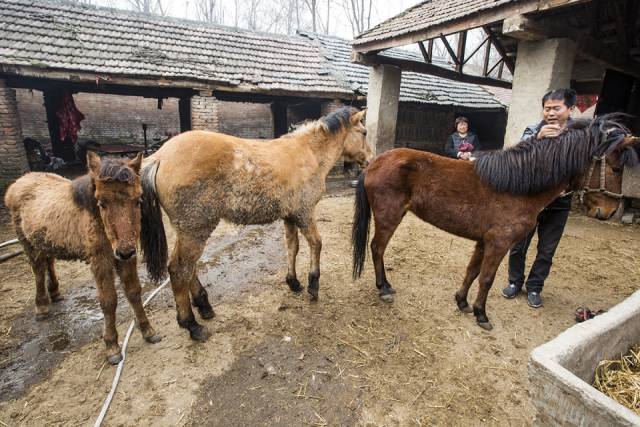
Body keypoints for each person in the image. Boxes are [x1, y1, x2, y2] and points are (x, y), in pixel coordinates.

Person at [501, 88, 577, 308]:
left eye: (556, 108)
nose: (551, 113)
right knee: (518, 244)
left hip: (560, 203)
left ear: (570, 109)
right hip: (530, 200)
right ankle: (514, 282)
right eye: (547, 108)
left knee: (546, 249)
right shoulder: (534, 129)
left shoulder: (579, 134)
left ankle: (534, 287)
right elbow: (517, 156)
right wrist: (537, 139)